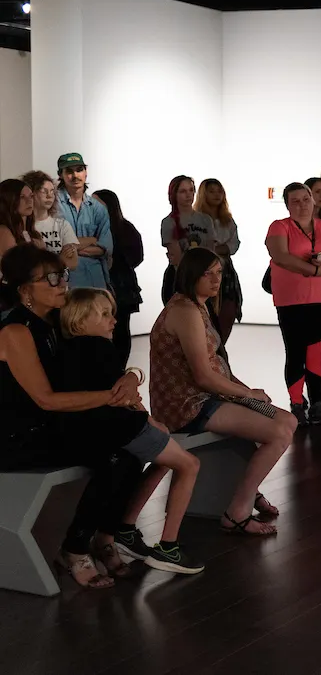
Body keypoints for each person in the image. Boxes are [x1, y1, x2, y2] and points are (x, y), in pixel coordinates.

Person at [0, 246, 194, 588]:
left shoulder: (54, 321)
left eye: (62, 275)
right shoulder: (15, 331)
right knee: (117, 457)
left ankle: (105, 536)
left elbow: (103, 365)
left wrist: (132, 376)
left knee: (128, 452)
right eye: (51, 278)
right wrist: (114, 396)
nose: (62, 283)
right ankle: (76, 546)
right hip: (20, 436)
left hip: (55, 425)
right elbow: (45, 400)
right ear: (24, 289)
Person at [150, 248, 297, 536]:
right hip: (188, 403)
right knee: (278, 432)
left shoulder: (200, 307)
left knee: (288, 421)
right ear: (191, 275)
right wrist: (247, 395)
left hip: (209, 396)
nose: (216, 279)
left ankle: (248, 491)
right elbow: (204, 376)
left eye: (219, 273)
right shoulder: (184, 310)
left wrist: (244, 390)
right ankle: (238, 510)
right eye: (208, 273)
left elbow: (218, 367)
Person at [58, 288, 204, 575]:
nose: (113, 320)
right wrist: (149, 421)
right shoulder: (99, 349)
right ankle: (168, 547)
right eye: (104, 315)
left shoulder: (73, 351)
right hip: (122, 429)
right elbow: (123, 400)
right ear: (78, 321)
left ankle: (113, 535)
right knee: (189, 464)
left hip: (106, 430)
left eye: (112, 313)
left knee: (142, 463)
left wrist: (133, 379)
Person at [265, 182, 321, 425]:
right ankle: (297, 402)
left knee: (318, 353)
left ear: (313, 200)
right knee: (295, 351)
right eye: (295, 201)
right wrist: (314, 269)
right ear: (287, 204)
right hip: (291, 299)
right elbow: (280, 256)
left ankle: (318, 401)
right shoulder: (279, 227)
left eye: (305, 199)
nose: (302, 205)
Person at [92, 190, 143, 368]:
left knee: (120, 328)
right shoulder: (93, 228)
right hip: (102, 284)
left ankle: (119, 367)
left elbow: (137, 256)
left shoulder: (124, 228)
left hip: (121, 287)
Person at [194, 178, 242, 343]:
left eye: (219, 191)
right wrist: (218, 247)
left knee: (227, 312)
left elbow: (234, 244)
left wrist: (218, 248)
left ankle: (219, 352)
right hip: (202, 270)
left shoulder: (227, 219)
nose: (216, 195)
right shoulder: (196, 220)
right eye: (212, 191)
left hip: (225, 271)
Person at [56, 153, 113, 291]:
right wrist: (92, 239)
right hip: (66, 282)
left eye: (79, 169)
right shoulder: (54, 205)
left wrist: (73, 248)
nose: (75, 175)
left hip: (95, 280)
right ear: (60, 174)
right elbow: (58, 246)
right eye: (69, 171)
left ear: (86, 172)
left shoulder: (97, 208)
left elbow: (105, 248)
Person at [160, 175, 216, 306]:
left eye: (191, 190)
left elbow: (210, 250)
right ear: (174, 194)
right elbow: (175, 255)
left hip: (204, 275)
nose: (188, 195)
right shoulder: (169, 222)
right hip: (179, 276)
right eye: (183, 191)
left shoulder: (205, 220)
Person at [23, 170, 79, 271]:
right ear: (31, 193)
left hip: (59, 283)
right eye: (44, 191)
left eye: (52, 191)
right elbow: (25, 265)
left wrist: (43, 259)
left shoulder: (62, 225)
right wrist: (59, 259)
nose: (49, 196)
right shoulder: (22, 225)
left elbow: (72, 263)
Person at [0, 178, 42, 258]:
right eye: (22, 197)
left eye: (31, 196)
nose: (29, 201)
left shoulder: (32, 232)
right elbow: (18, 267)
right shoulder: (3, 231)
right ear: (9, 200)